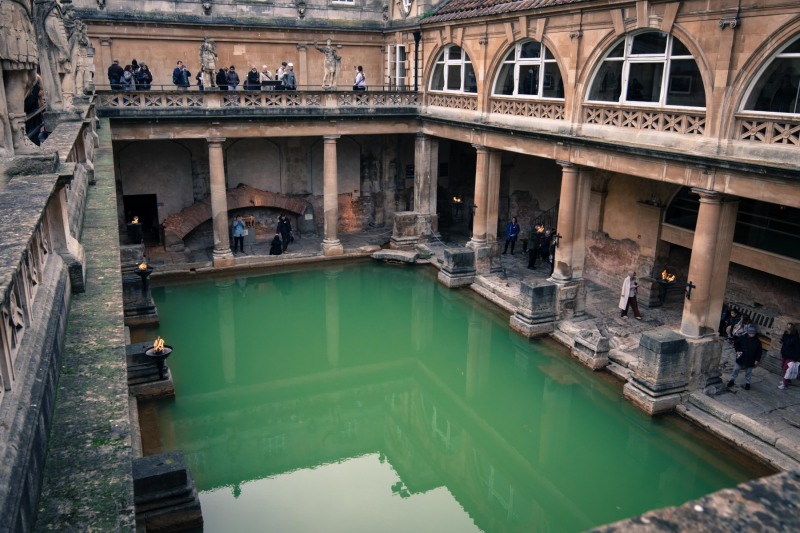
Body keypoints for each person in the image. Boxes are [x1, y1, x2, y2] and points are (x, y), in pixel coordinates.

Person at [728, 324, 762, 390]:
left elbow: (759, 352)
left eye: (753, 333)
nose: (751, 334)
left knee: (748, 372)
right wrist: (737, 350)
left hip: (751, 359)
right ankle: (732, 380)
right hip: (741, 356)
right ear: (748, 332)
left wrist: (757, 360)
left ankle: (747, 383)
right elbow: (736, 343)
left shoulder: (757, 341)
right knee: (736, 369)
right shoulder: (742, 337)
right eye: (750, 333)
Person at [779, 324, 800, 390]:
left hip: (791, 356)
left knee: (787, 369)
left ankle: (785, 384)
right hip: (785, 354)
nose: (788, 329)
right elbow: (784, 341)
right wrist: (785, 334)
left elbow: (798, 349)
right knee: (783, 366)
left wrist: (795, 358)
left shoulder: (796, 338)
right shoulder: (788, 335)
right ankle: (787, 380)